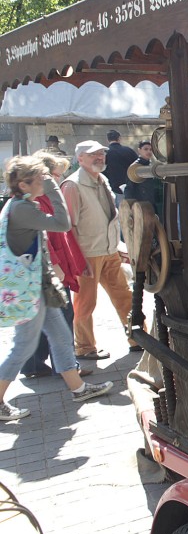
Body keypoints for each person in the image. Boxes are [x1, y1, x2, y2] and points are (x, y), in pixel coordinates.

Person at [0, 156, 115, 422]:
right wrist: (53, 189)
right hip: (29, 292)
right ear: (24, 184)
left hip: (36, 288)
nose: (45, 182)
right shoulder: (21, 208)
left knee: (61, 337)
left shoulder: (19, 205)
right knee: (23, 347)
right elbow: (62, 223)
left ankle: (79, 389)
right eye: (40, 179)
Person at [61, 140, 138, 360]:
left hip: (108, 250)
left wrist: (118, 247)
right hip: (87, 253)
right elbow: (68, 227)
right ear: (80, 158)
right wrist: (78, 259)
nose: (99, 157)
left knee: (125, 296)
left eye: (102, 153)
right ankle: (84, 348)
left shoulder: (101, 179)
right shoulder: (72, 185)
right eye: (93, 154)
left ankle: (137, 339)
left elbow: (108, 218)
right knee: (85, 303)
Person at [19, 152, 89, 379]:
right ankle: (66, 369)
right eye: (56, 175)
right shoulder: (35, 201)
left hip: (50, 268)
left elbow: (64, 235)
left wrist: (77, 262)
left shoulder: (41, 199)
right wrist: (56, 266)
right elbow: (42, 237)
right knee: (62, 318)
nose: (60, 179)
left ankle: (34, 365)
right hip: (50, 270)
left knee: (45, 321)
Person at [123, 140, 160, 215]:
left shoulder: (152, 166)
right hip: (140, 206)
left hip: (152, 204)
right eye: (146, 149)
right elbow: (129, 189)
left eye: (150, 149)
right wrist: (131, 207)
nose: (149, 151)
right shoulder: (134, 168)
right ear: (139, 150)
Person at [103, 129, 137, 208]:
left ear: (108, 140)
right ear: (119, 138)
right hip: (131, 187)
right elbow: (137, 167)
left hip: (113, 188)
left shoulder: (105, 154)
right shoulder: (129, 151)